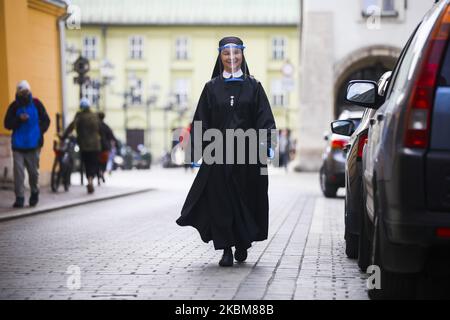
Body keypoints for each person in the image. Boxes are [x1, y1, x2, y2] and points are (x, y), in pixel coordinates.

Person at [176, 36, 277, 267]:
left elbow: (265, 119)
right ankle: (226, 249)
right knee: (221, 202)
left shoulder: (254, 87)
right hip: (218, 157)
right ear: (220, 57)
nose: (232, 58)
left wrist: (267, 144)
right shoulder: (211, 88)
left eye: (236, 53)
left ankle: (242, 243)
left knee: (246, 200)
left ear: (242, 54)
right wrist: (195, 152)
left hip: (248, 157)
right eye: (226, 54)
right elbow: (201, 120)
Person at [3, 80, 50, 208]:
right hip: (18, 145)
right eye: (21, 91)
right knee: (18, 173)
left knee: (33, 173)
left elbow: (47, 120)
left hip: (33, 145)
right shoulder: (14, 106)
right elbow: (6, 124)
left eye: (26, 91)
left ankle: (34, 192)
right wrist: (18, 119)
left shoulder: (36, 103)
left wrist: (39, 131)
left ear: (29, 91)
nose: (24, 93)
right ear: (17, 92)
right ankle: (19, 198)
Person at [62, 98, 101, 194]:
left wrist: (64, 136)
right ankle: (91, 179)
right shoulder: (94, 116)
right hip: (96, 145)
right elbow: (100, 128)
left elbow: (71, 127)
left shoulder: (79, 116)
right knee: (93, 163)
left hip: (84, 145)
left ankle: (89, 180)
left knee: (87, 164)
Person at [98, 112, 118, 181]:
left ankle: (98, 172)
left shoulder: (95, 126)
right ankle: (102, 173)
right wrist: (117, 144)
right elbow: (112, 136)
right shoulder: (106, 126)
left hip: (96, 147)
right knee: (104, 162)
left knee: (96, 161)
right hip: (104, 147)